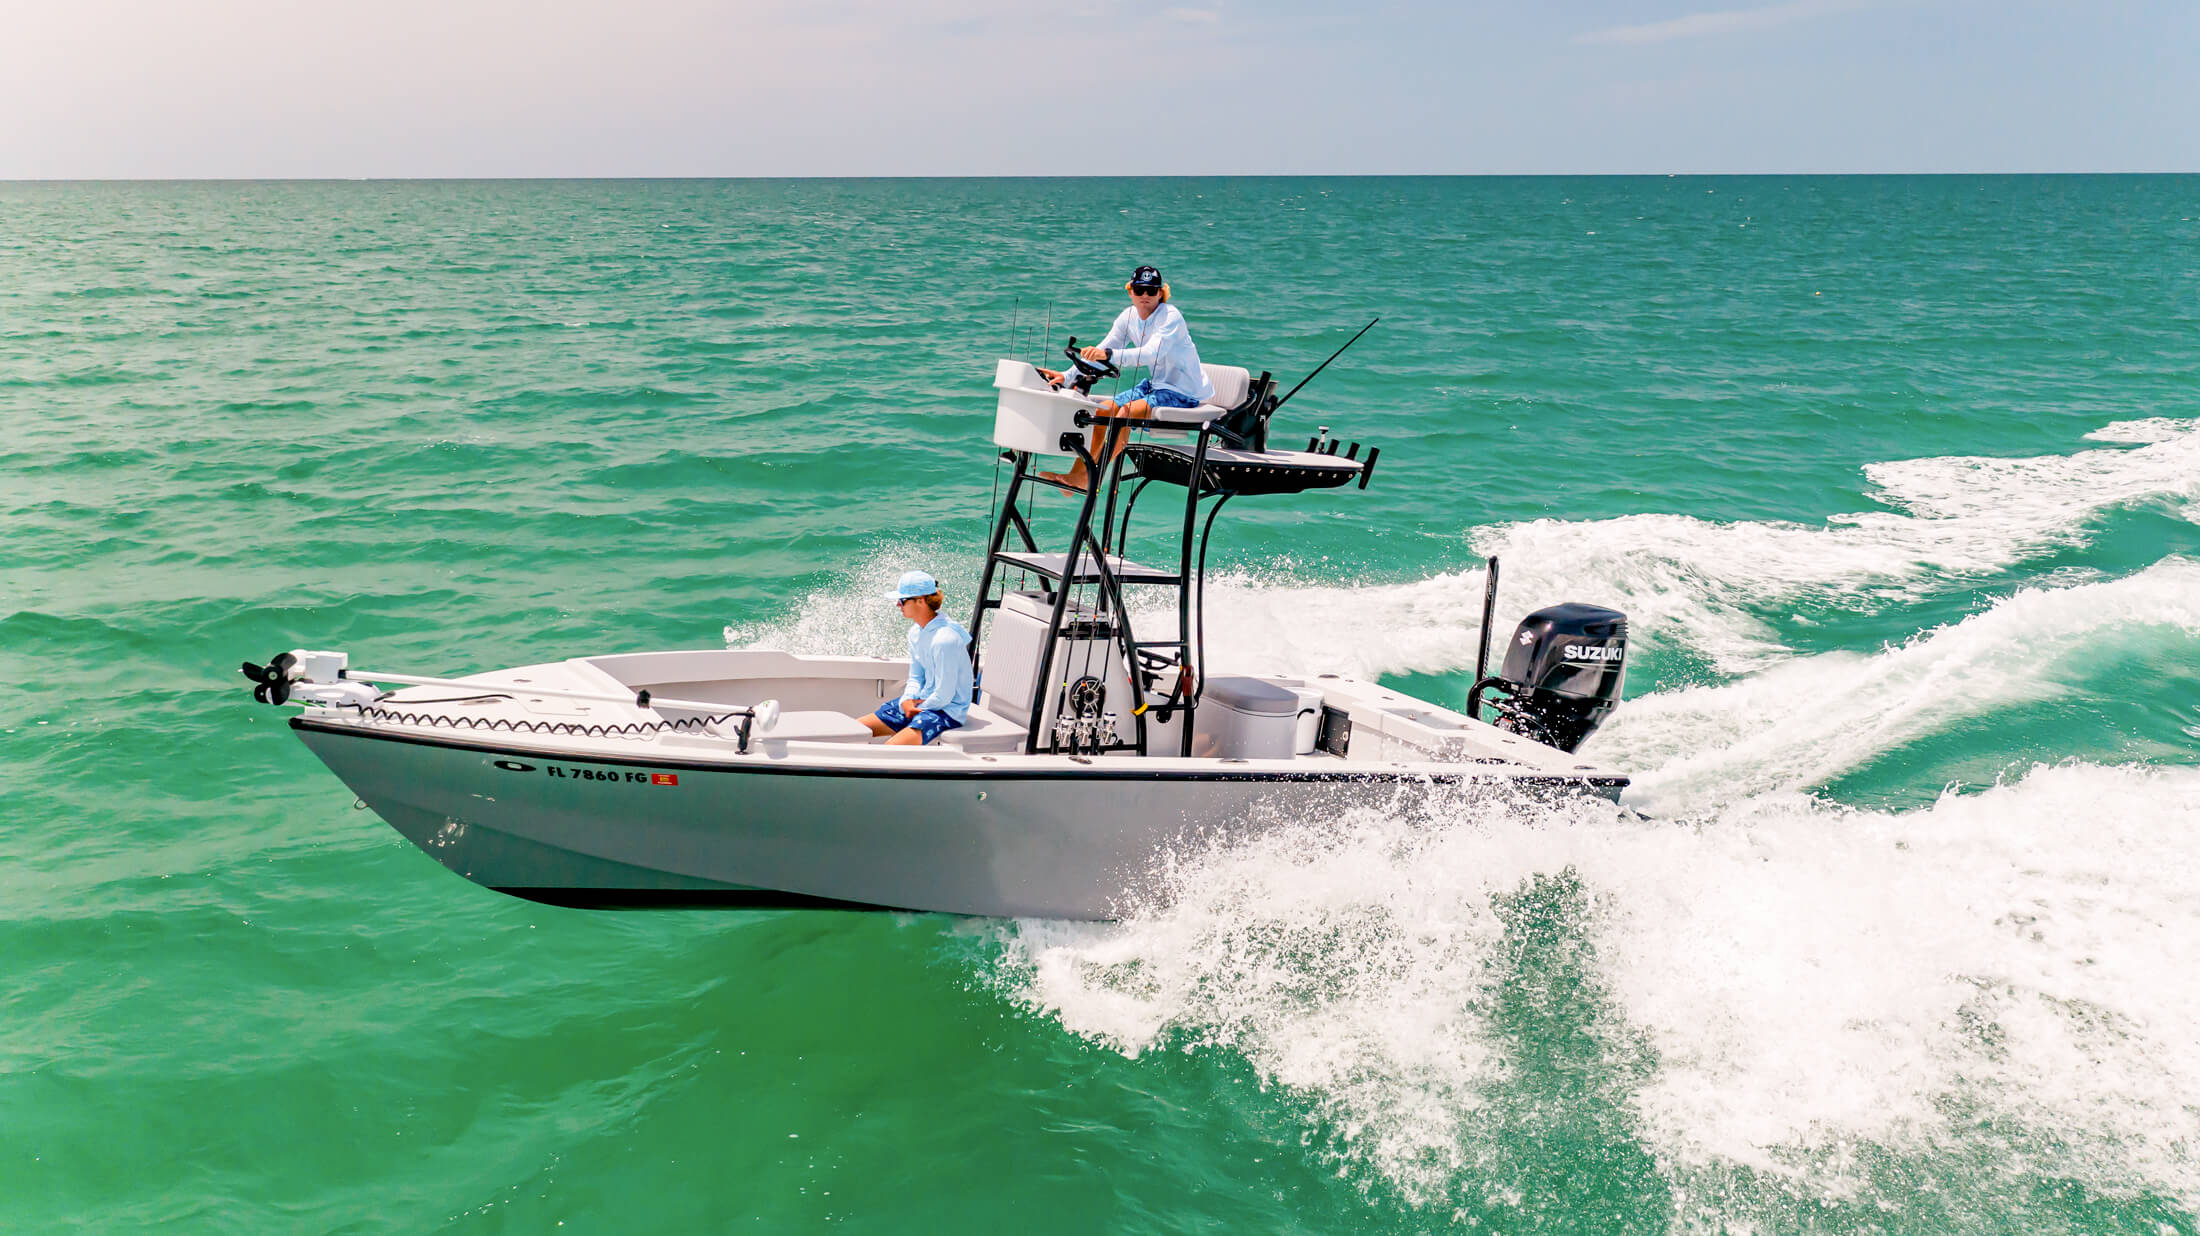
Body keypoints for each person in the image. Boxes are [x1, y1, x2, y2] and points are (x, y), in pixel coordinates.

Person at [1037, 264, 1214, 491]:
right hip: (1155, 386)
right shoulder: (1128, 316)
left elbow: (1149, 353)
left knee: (1126, 414)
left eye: (1152, 291)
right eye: (1140, 290)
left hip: (1183, 391)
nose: (1145, 296)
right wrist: (1067, 375)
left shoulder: (1171, 317)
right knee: (1104, 409)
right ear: (1130, 291)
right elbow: (1102, 349)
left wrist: (1108, 355)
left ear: (1161, 293)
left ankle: (1093, 477)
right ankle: (1078, 476)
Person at [859, 570, 973, 746]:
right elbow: (916, 677)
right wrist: (906, 700)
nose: (898, 604)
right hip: (923, 702)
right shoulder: (915, 633)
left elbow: (945, 695)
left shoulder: (945, 639)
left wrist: (916, 707)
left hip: (947, 712)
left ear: (921, 601)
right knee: (856, 729)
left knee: (889, 748)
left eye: (903, 600)